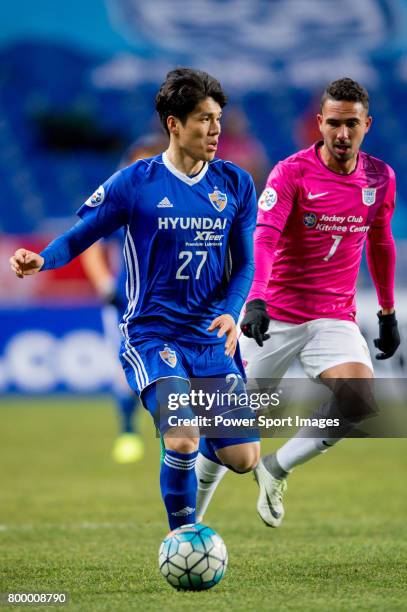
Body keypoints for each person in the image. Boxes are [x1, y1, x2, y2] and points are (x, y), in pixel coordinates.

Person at [10, 68, 260, 530]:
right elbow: (81, 235)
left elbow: (246, 263)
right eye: (204, 119)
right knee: (182, 437)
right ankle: (181, 537)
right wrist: (42, 260)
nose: (215, 129)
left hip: (210, 338)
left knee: (243, 458)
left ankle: (193, 432)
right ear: (174, 124)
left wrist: (229, 313)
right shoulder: (135, 182)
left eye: (218, 118)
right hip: (152, 334)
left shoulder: (236, 184)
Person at [194, 77, 400, 527]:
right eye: (333, 124)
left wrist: (387, 313)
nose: (342, 134)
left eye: (351, 124)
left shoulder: (380, 178)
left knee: (359, 401)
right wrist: (256, 301)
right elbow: (264, 238)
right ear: (319, 124)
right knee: (227, 429)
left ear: (367, 124)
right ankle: (190, 521)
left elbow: (381, 243)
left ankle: (277, 467)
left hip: (332, 317)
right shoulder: (291, 172)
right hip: (275, 318)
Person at [80, 134, 167, 464]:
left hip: (166, 300)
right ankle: (128, 431)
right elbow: (89, 243)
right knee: (125, 371)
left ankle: (173, 437)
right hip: (125, 301)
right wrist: (104, 284)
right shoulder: (119, 200)